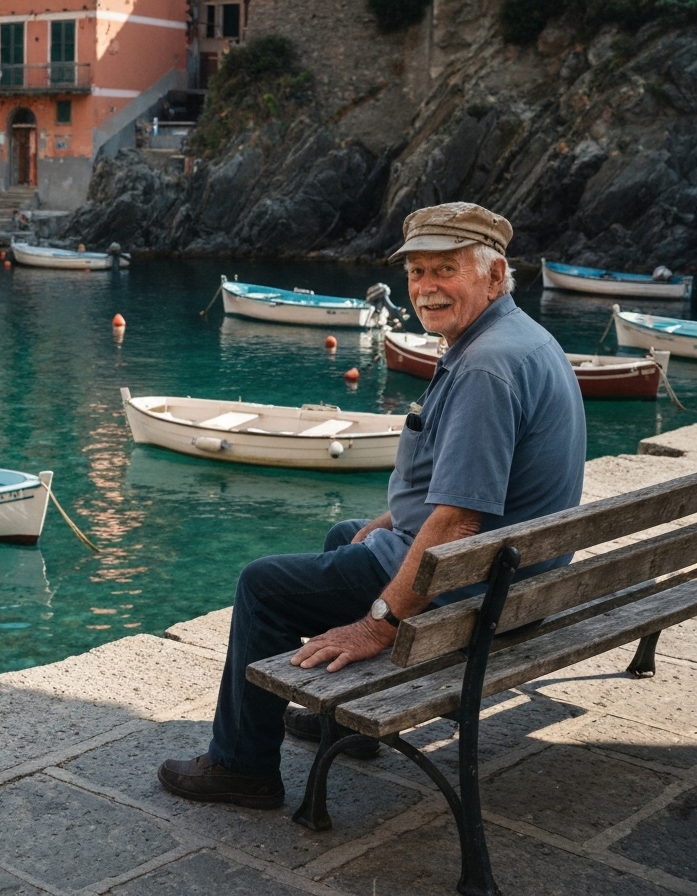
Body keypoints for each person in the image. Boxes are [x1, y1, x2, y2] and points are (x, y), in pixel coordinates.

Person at [157, 202, 587, 809]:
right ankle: (344, 722)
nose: (426, 287)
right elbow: (474, 490)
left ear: (494, 276)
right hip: (516, 575)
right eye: (416, 272)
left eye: (446, 269)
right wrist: (392, 519)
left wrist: (377, 624)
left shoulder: (485, 368)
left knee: (263, 586)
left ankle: (241, 767)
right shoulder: (522, 339)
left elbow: (458, 522)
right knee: (347, 533)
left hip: (474, 590)